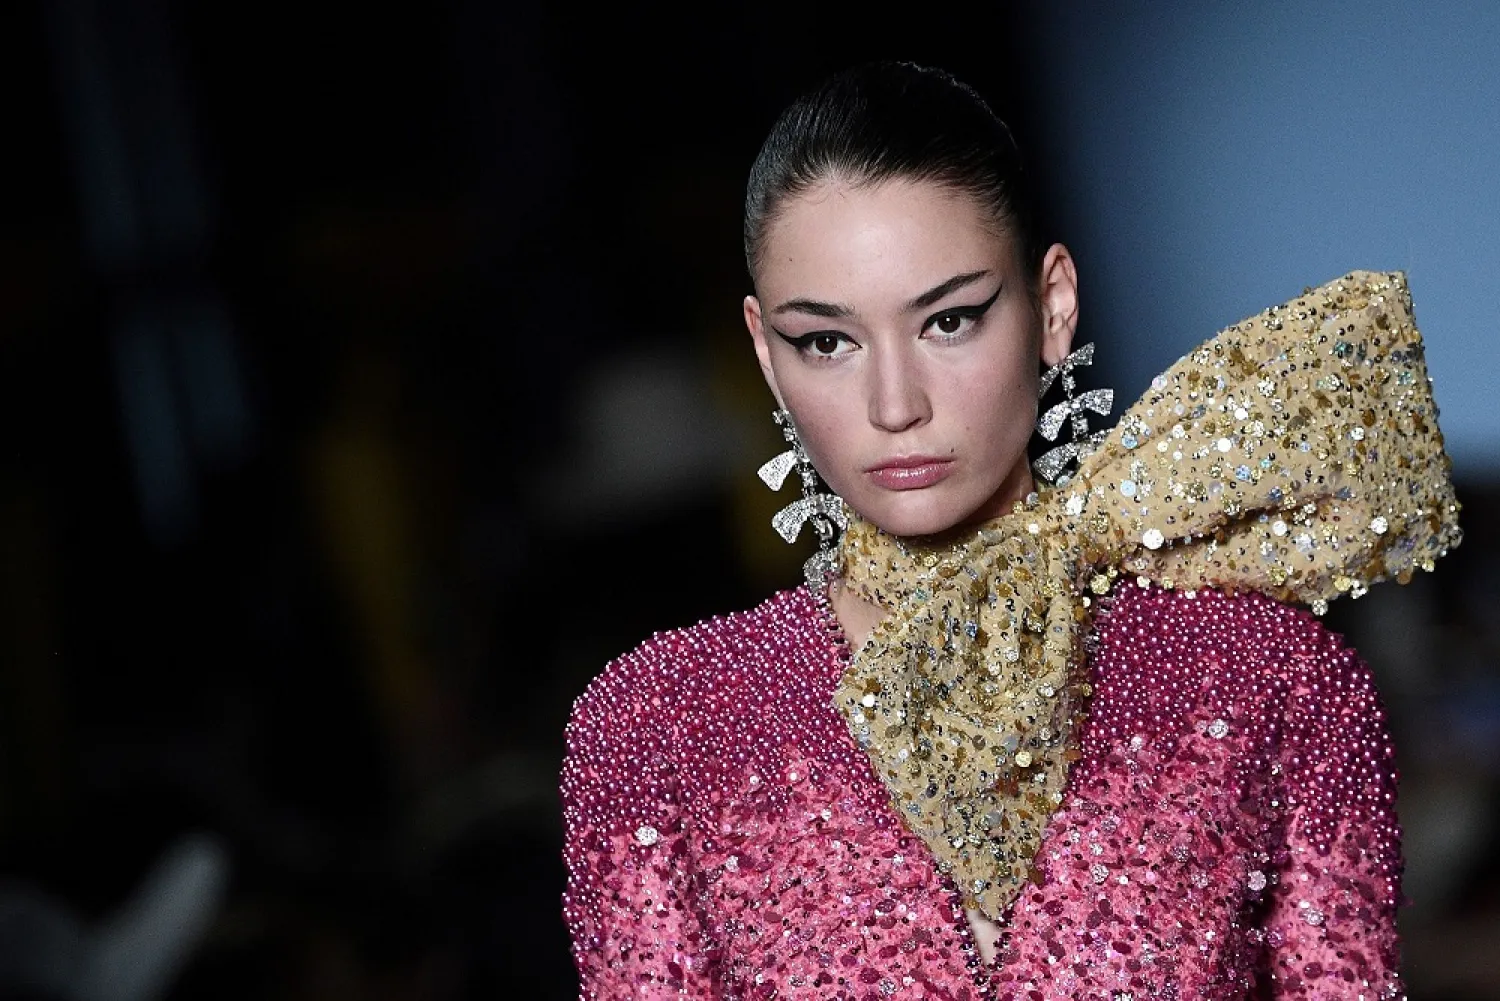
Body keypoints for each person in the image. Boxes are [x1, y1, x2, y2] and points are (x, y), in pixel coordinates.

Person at [560, 62, 1461, 1000]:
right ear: (764, 352)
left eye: (948, 320)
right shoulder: (655, 728)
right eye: (826, 341)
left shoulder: (1268, 679)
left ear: (1053, 305)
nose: (893, 404)